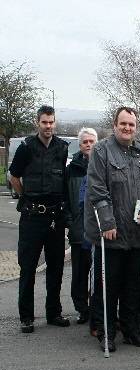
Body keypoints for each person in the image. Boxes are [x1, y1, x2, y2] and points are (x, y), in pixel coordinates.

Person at [84, 106, 140, 352]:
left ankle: (130, 329)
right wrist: (107, 222)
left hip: (138, 234)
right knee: (108, 286)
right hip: (112, 234)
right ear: (115, 125)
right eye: (123, 124)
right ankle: (106, 331)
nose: (128, 128)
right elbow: (97, 189)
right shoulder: (101, 151)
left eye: (131, 124)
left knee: (133, 285)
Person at [9, 105, 70, 333]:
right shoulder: (26, 148)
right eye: (44, 122)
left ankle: (53, 312)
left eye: (51, 122)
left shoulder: (62, 148)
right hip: (32, 217)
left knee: (55, 267)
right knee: (28, 268)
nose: (48, 126)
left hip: (55, 217)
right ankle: (26, 317)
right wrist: (26, 196)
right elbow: (14, 176)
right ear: (38, 123)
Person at [65, 127, 97, 325]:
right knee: (79, 273)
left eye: (91, 142)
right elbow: (65, 198)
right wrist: (70, 221)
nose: (88, 145)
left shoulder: (103, 165)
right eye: (85, 142)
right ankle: (81, 309)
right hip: (78, 230)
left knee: (98, 272)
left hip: (97, 229)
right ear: (80, 144)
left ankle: (96, 307)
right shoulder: (71, 169)